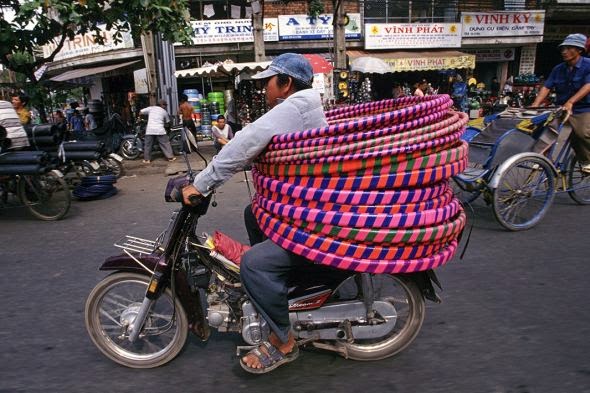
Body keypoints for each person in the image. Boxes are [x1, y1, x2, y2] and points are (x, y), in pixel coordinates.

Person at [181, 53, 327, 374]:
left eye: (269, 83)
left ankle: (283, 342)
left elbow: (248, 140)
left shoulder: (295, 106)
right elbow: (263, 145)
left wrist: (202, 183)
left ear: (285, 83)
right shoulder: (305, 105)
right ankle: (280, 288)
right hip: (308, 211)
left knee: (253, 263)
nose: (264, 90)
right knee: (253, 213)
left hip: (312, 224)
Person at [531, 33, 590, 173]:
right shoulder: (558, 69)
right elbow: (547, 86)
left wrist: (571, 102)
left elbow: (588, 86)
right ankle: (544, 159)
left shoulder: (588, 65)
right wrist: (535, 104)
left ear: (579, 50)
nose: (564, 52)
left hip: (583, 108)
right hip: (561, 107)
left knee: (581, 133)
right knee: (540, 127)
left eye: (569, 48)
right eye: (563, 49)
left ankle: (587, 161)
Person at [139, 99, 176, 164]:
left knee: (147, 145)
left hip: (150, 130)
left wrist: (142, 118)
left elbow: (141, 112)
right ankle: (170, 157)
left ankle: (147, 160)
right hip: (160, 130)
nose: (165, 106)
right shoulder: (164, 112)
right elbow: (167, 122)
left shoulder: (151, 108)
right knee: (165, 143)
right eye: (165, 105)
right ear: (162, 105)